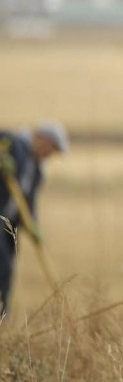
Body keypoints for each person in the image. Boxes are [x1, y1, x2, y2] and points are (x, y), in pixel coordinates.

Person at [0, 120, 68, 319]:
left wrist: (33, 226)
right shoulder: (11, 142)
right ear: (42, 138)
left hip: (9, 225)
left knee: (8, 267)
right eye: (51, 147)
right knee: (2, 264)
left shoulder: (36, 171)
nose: (50, 154)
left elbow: (28, 204)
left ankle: (3, 317)